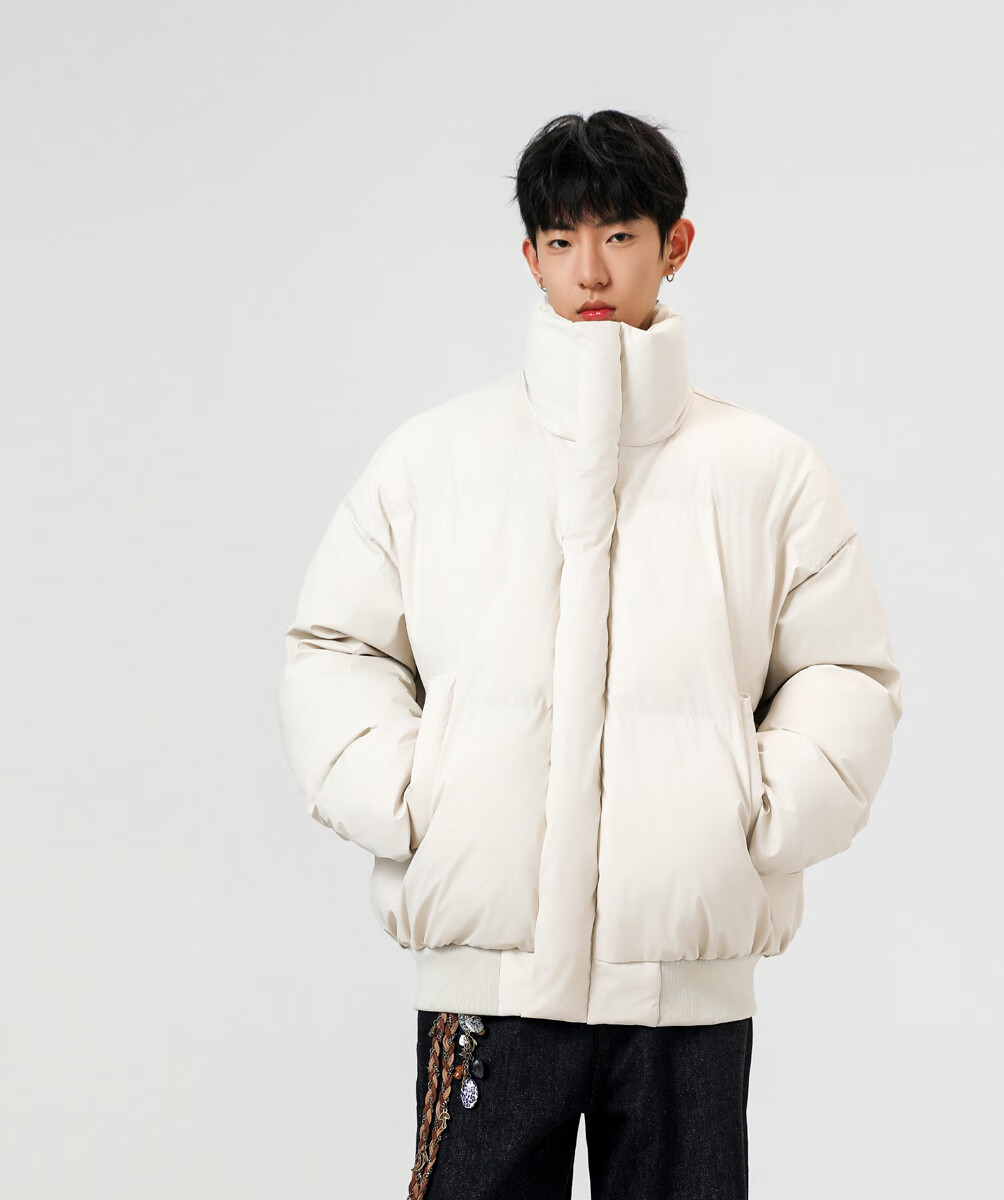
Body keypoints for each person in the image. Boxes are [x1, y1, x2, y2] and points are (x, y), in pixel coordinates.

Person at [276, 109, 903, 1200]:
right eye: (562, 241)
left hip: (682, 990)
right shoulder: (433, 460)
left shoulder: (767, 470)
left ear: (675, 244)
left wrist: (754, 813)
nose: (592, 270)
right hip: (489, 984)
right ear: (530, 257)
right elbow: (338, 646)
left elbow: (843, 674)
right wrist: (418, 798)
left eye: (618, 235)